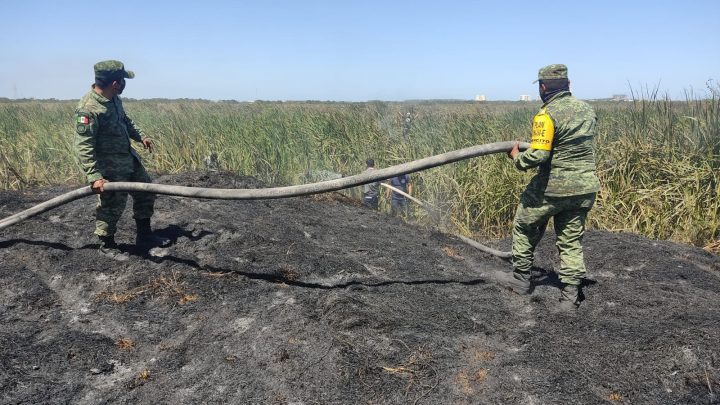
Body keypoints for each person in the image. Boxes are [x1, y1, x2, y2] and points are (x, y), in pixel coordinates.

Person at [503, 64, 601, 310]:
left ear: (542, 87)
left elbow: (539, 156)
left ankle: (521, 282)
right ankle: (570, 297)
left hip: (553, 186)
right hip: (584, 187)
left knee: (525, 226)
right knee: (570, 241)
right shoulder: (587, 110)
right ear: (569, 85)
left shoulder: (545, 114)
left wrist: (517, 157)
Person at [75, 60, 169, 256]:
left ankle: (144, 236)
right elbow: (83, 145)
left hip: (128, 159)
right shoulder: (89, 109)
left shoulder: (114, 99)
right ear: (115, 83)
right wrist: (94, 176)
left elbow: (125, 120)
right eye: (123, 80)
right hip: (109, 167)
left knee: (146, 192)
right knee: (113, 204)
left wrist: (141, 136)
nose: (125, 83)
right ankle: (107, 244)